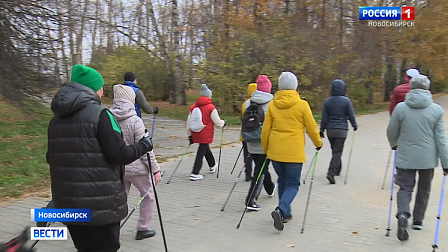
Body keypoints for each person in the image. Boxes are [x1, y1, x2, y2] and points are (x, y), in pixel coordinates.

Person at [47, 65, 154, 252]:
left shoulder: (55, 120)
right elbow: (119, 154)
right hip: (99, 204)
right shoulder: (101, 115)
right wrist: (144, 145)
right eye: (100, 86)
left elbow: (52, 158)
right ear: (93, 89)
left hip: (68, 203)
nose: (103, 91)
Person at [387, 74, 448, 241]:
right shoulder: (436, 110)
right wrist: (446, 162)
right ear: (427, 88)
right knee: (424, 189)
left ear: (411, 87)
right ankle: (418, 220)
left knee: (405, 187)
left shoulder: (400, 108)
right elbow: (441, 139)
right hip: (427, 159)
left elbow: (391, 130)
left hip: (406, 155)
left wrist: (394, 144)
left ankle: (402, 215)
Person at [261, 72, 322, 231]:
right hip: (294, 153)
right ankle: (281, 209)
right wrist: (318, 143)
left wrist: (267, 150)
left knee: (282, 180)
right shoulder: (302, 105)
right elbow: (311, 127)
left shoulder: (273, 105)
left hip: (275, 152)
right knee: (293, 184)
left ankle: (285, 214)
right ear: (295, 86)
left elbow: (265, 131)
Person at [109, 84, 162, 241]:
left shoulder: (108, 118)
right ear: (132, 101)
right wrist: (155, 169)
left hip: (118, 168)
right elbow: (146, 148)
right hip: (138, 169)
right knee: (148, 196)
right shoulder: (135, 121)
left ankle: (112, 228)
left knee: (120, 199)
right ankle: (142, 228)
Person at [243, 76, 276, 211]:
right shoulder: (272, 104)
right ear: (268, 88)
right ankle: (250, 200)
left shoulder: (247, 103)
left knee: (261, 166)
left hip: (250, 140)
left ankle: (270, 188)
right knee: (260, 170)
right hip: (265, 143)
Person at [319, 79, 357, 184]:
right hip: (342, 130)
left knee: (335, 150)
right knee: (337, 151)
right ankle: (331, 173)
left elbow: (324, 117)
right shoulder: (346, 101)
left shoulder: (328, 101)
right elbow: (351, 114)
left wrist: (321, 129)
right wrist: (354, 125)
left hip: (330, 130)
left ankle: (337, 169)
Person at [186, 84, 225, 181]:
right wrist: (223, 123)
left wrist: (189, 135)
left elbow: (188, 122)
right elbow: (218, 123)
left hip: (195, 131)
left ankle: (212, 165)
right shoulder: (211, 107)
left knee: (205, 147)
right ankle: (195, 173)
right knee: (201, 150)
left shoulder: (193, 107)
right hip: (205, 133)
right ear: (209, 96)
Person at [389, 68, 420, 186]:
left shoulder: (398, 90)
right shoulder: (423, 90)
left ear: (406, 77)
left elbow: (393, 108)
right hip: (418, 125)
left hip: (402, 124)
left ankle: (400, 172)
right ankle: (413, 170)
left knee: (400, 147)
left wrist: (393, 122)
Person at [240, 83, 257, 181]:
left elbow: (242, 118)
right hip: (256, 133)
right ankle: (257, 172)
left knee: (247, 154)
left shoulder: (245, 104)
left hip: (245, 133)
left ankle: (248, 173)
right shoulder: (260, 103)